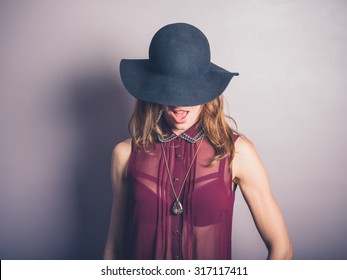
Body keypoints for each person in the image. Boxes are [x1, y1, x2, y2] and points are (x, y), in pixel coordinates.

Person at [104, 23, 293, 260]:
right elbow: (114, 248)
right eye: (170, 91)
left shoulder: (237, 152)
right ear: (154, 90)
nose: (178, 105)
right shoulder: (125, 154)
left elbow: (282, 249)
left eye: (189, 92)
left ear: (207, 91)